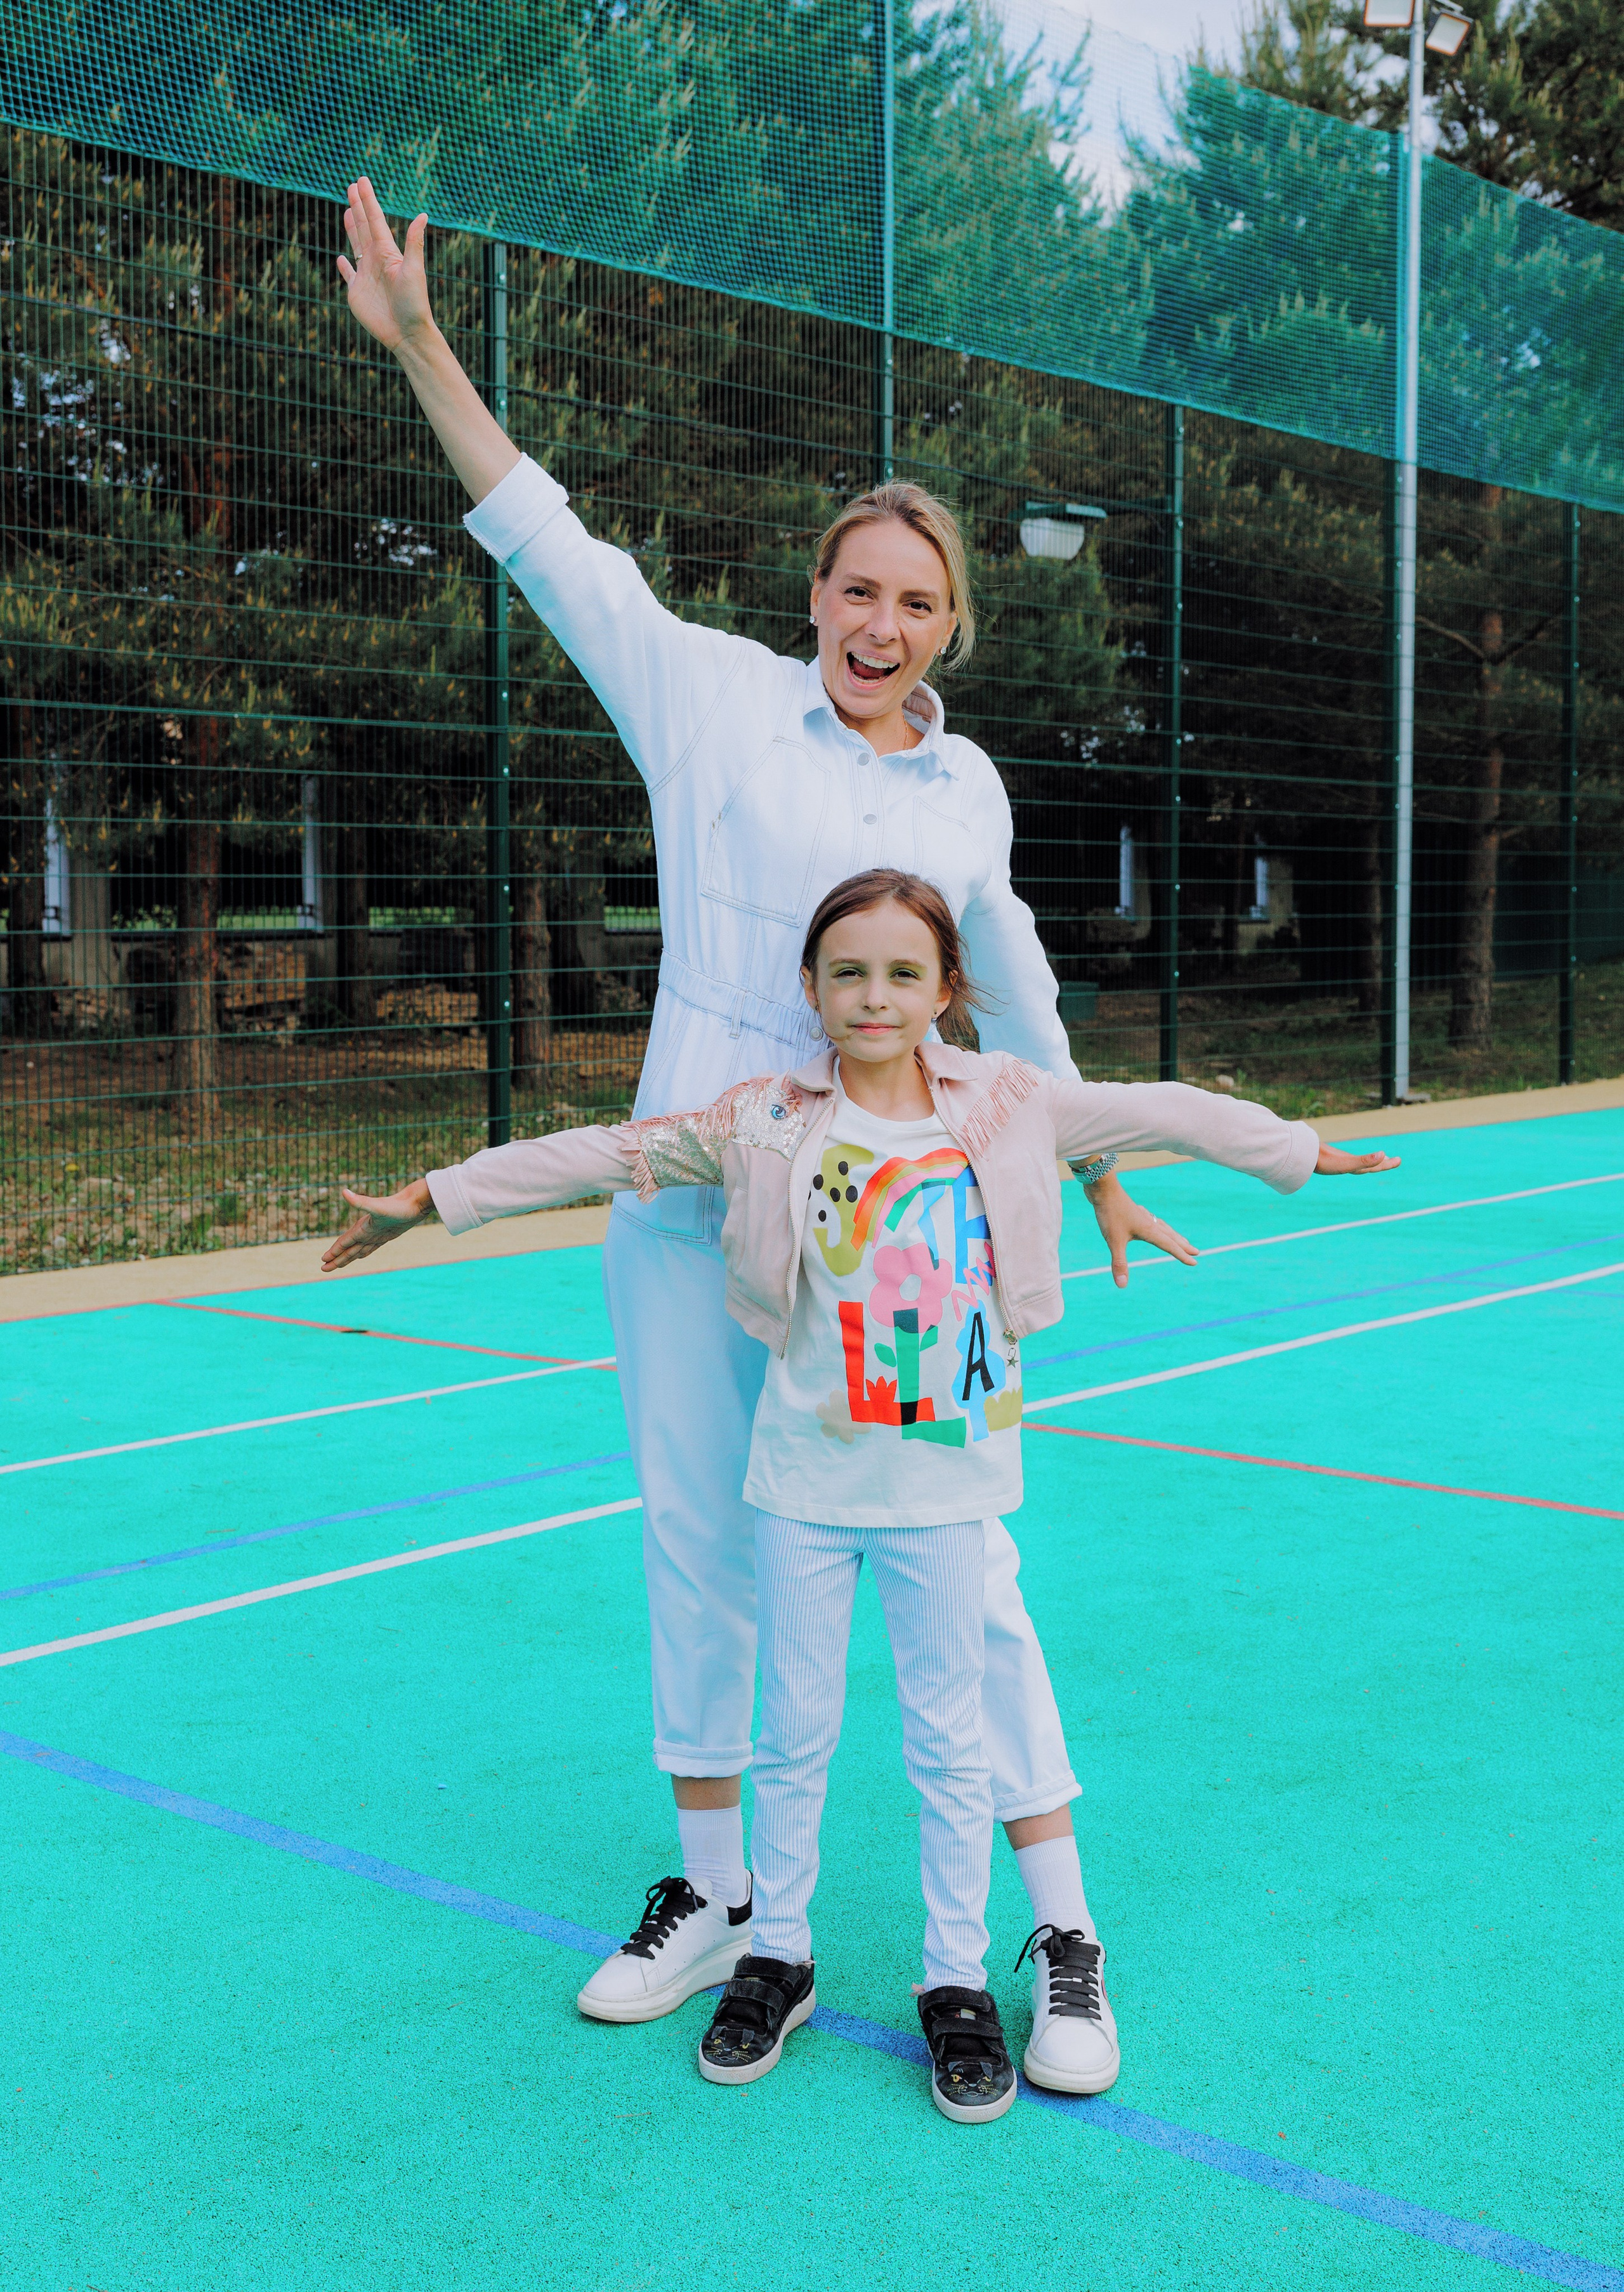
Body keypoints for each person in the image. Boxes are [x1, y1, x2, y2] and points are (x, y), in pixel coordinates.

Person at [336, 177, 1212, 2095]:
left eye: (917, 598)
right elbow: (547, 536)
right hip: (697, 1210)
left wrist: (1091, 1158)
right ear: (813, 597)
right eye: (856, 589)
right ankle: (726, 1897)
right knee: (698, 1541)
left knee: (966, 1573)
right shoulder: (713, 705)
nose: (880, 622)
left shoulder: (970, 788)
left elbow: (1026, 996)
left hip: (906, 1238)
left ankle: (1056, 1936)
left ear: (949, 620)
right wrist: (416, 343)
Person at [327, 869, 1398, 2119]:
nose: (872, 995)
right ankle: (774, 1953)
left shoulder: (1004, 1106)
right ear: (811, 990)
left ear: (945, 989)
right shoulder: (764, 1122)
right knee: (792, 1738)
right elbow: (604, 1154)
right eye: (847, 972)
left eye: (901, 972)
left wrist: (1289, 1150)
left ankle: (952, 1981)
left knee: (949, 1745)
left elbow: (1159, 1109)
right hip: (801, 1486)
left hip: (944, 1491)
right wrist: (431, 1198)